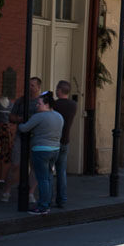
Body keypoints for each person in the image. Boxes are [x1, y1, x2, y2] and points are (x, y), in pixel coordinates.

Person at [18, 91, 63, 215]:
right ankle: (47, 203)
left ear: (47, 104)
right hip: (55, 150)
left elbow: (24, 128)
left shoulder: (39, 116)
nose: (37, 106)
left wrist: (19, 123)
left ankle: (42, 206)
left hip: (41, 150)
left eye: (39, 103)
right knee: (48, 178)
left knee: (42, 179)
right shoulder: (59, 116)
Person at [2, 77, 41, 203]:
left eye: (32, 85)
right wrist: (20, 119)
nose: (30, 87)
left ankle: (30, 193)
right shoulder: (21, 100)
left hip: (35, 137)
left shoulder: (41, 102)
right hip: (21, 135)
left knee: (34, 166)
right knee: (15, 164)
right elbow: (11, 117)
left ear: (38, 87)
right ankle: (6, 191)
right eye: (28, 85)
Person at [52, 80, 78, 208]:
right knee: (61, 171)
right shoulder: (73, 105)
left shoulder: (55, 105)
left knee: (48, 171)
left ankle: (48, 198)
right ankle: (61, 199)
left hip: (53, 140)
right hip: (65, 140)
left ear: (59, 90)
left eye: (57, 89)